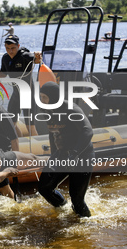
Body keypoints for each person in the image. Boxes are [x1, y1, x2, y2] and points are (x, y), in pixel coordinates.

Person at [37, 81, 94, 217]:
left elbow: (88, 131)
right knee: (44, 188)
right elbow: (53, 132)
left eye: (44, 97)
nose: (41, 100)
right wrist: (53, 155)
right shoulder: (46, 109)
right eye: (40, 97)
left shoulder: (71, 109)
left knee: (77, 201)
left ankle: (87, 225)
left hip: (81, 156)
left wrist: (74, 154)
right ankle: (62, 208)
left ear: (54, 97)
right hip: (62, 154)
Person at [0, 34, 42, 137]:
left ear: (18, 46)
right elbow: (3, 74)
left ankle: (39, 148)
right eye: (7, 48)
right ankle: (20, 143)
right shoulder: (5, 58)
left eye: (13, 48)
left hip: (28, 95)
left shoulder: (24, 56)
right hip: (16, 94)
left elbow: (36, 60)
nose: (10, 51)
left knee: (30, 126)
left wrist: (38, 56)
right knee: (11, 124)